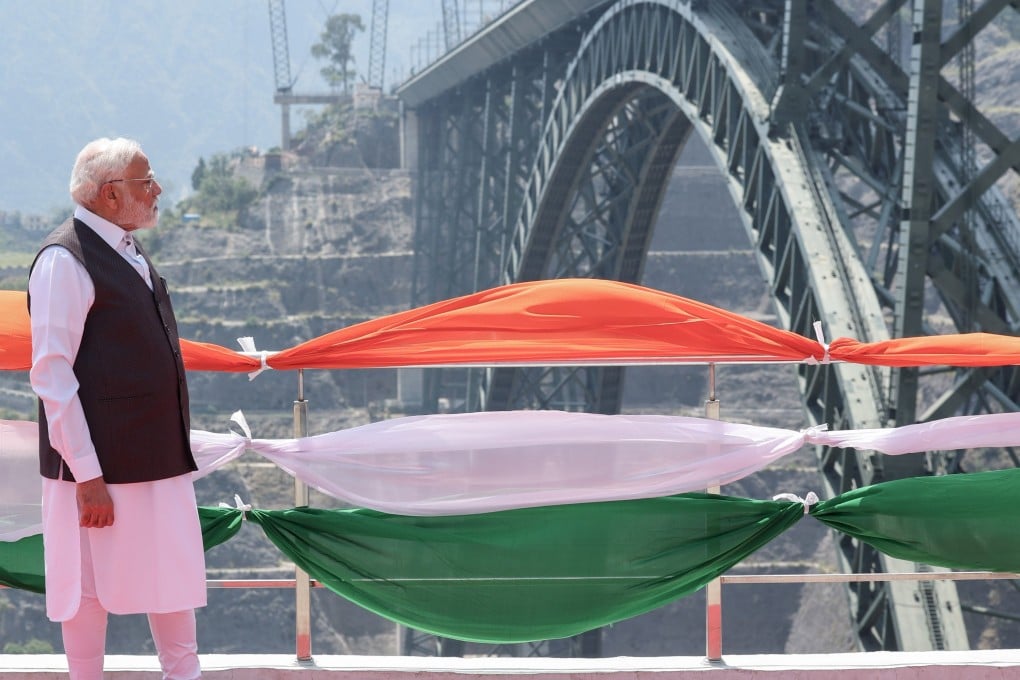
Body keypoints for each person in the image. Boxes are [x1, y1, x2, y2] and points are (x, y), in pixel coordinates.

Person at [28, 137, 205, 679]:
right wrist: (87, 476)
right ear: (109, 194)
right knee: (86, 587)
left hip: (155, 455)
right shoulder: (64, 261)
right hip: (98, 467)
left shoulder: (124, 246)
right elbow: (52, 376)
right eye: (144, 181)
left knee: (171, 575)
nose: (157, 190)